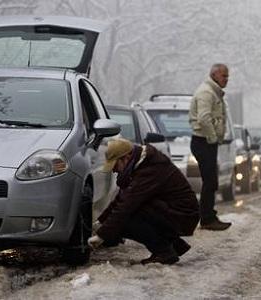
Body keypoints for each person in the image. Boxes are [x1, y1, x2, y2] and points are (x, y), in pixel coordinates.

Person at [88, 138, 200, 265]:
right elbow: (121, 199)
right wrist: (100, 221)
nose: (114, 170)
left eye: (115, 165)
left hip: (183, 214)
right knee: (125, 215)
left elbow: (125, 206)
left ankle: (164, 253)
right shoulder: (139, 166)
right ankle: (172, 246)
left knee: (127, 218)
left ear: (126, 158)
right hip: (172, 211)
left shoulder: (150, 169)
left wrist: (102, 235)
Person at [188, 63, 232, 231]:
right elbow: (204, 118)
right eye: (224, 76)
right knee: (210, 181)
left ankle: (208, 215)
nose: (226, 79)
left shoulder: (214, 92)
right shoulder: (207, 92)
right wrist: (213, 138)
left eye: (227, 76)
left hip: (206, 141)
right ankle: (206, 218)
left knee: (211, 181)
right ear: (214, 75)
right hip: (203, 141)